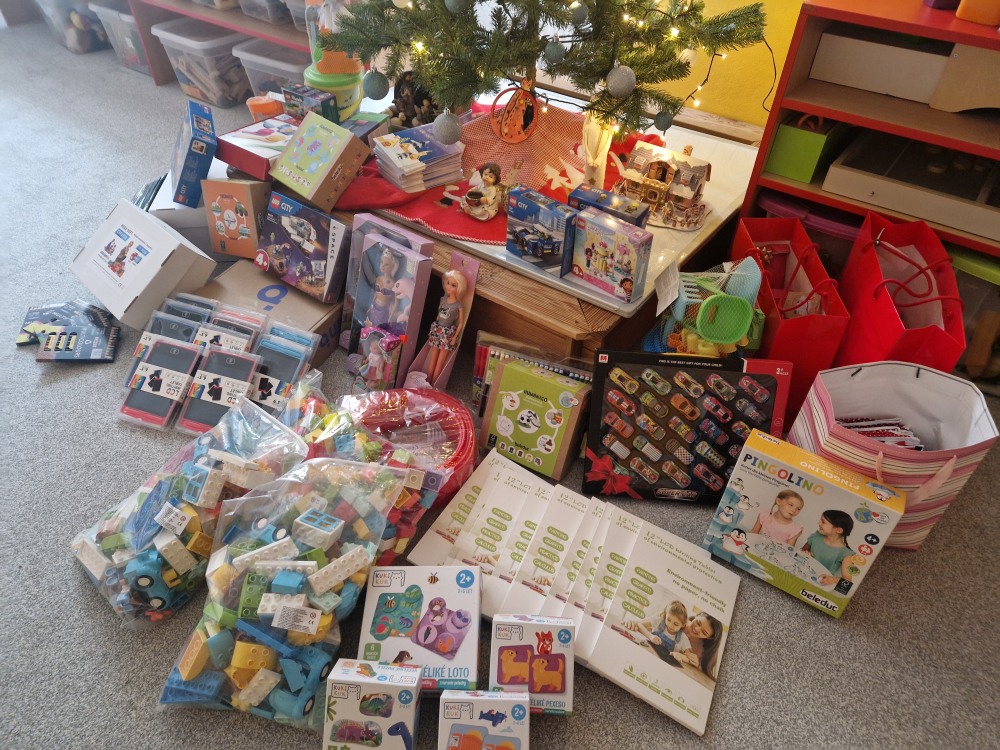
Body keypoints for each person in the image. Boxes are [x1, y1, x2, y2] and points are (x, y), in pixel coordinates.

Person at [424, 269, 468, 384]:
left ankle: (433, 385)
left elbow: (461, 323)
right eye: (448, 283)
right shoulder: (443, 299)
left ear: (459, 288)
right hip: (437, 329)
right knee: (432, 360)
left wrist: (454, 338)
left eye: (453, 285)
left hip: (447, 333)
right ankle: (427, 383)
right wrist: (433, 329)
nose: (449, 287)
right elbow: (439, 315)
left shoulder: (459, 305)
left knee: (440, 362)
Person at [801, 510, 855, 586]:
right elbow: (803, 549)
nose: (819, 523)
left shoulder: (846, 554)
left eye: (823, 522)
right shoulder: (816, 536)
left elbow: (847, 581)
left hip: (819, 583)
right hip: (802, 572)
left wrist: (832, 579)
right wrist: (805, 553)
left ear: (838, 530)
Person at [675, 612, 724, 679]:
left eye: (704, 633)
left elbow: (706, 672)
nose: (696, 629)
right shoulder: (679, 621)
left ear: (709, 637)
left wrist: (698, 665)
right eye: (698, 623)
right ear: (697, 615)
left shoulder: (704, 650)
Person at [364, 247, 400, 328]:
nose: (382, 266)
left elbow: (396, 302)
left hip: (384, 312)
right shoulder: (379, 279)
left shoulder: (393, 284)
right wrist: (370, 307)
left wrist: (391, 316)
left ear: (393, 266)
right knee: (370, 326)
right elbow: (375, 294)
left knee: (379, 329)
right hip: (374, 307)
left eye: (387, 264)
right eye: (381, 262)